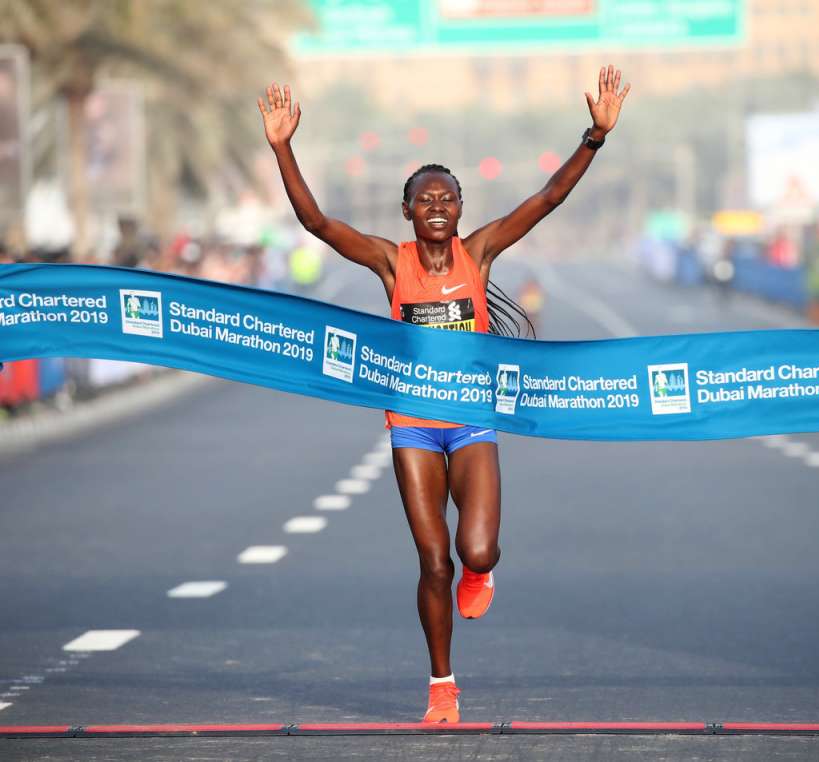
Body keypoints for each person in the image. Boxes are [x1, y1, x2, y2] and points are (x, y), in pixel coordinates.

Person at [258, 67, 630, 723]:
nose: (436, 206)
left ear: (460, 209)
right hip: (413, 428)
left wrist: (594, 137)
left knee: (474, 551)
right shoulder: (387, 260)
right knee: (433, 563)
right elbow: (315, 221)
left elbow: (546, 199)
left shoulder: (479, 253)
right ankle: (442, 687)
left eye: (447, 199)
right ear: (406, 211)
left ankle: (480, 572)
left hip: (470, 423)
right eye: (424, 199)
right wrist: (283, 146)